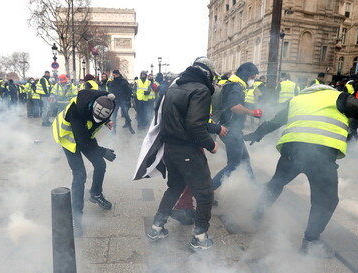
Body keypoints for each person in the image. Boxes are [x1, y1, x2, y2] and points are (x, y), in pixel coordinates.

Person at [244, 82, 358, 256]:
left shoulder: (297, 100)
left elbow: (275, 121)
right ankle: (310, 241)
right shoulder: (340, 98)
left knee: (276, 183)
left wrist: (257, 134)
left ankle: (257, 215)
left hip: (292, 151)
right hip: (321, 155)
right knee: (326, 200)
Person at [145, 57, 220, 250]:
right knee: (205, 194)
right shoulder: (200, 90)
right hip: (188, 149)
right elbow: (195, 125)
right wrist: (211, 145)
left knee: (175, 187)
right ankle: (200, 238)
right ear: (208, 74)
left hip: (170, 148)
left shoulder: (174, 87)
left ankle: (156, 227)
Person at [52, 90, 117, 236]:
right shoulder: (76, 112)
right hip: (68, 137)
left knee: (100, 165)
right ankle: (76, 218)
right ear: (92, 108)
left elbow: (101, 115)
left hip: (85, 135)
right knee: (80, 174)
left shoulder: (107, 99)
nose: (98, 120)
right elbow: (82, 142)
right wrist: (102, 151)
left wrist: (107, 121)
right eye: (96, 117)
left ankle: (95, 193)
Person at [211, 62, 263, 191]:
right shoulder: (236, 86)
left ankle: (254, 188)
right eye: (253, 77)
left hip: (231, 129)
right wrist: (253, 113)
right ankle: (208, 191)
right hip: (231, 130)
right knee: (234, 164)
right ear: (247, 75)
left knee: (245, 160)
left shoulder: (231, 83)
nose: (253, 80)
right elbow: (234, 106)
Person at [108, 70, 134, 134]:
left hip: (123, 100)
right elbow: (110, 91)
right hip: (115, 101)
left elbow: (129, 91)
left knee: (126, 114)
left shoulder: (124, 82)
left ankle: (130, 127)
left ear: (118, 74)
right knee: (114, 116)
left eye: (115, 74)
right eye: (113, 74)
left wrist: (126, 99)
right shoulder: (112, 83)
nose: (114, 76)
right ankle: (113, 129)